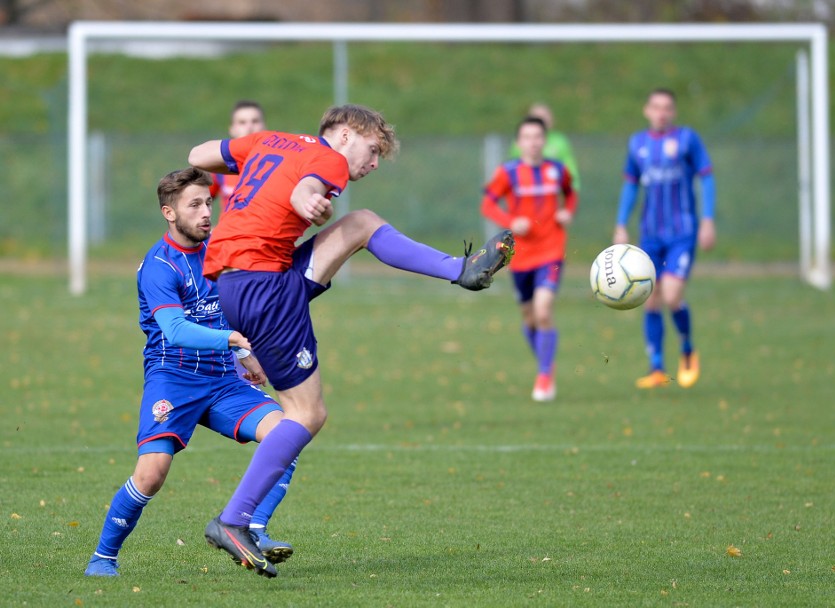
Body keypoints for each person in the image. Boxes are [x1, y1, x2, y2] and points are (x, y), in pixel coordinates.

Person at [188, 103, 515, 578]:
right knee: (307, 413)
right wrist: (306, 199)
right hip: (264, 286)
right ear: (343, 135)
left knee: (360, 223)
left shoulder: (271, 141)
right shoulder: (328, 158)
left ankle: (460, 270)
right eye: (373, 149)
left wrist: (257, 165)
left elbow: (199, 153)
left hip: (239, 283)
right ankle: (234, 520)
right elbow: (307, 189)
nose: (374, 163)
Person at [84, 168, 297, 577]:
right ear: (169, 212)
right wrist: (236, 341)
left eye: (208, 203)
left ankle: (252, 527)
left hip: (222, 379)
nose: (205, 213)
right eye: (194, 205)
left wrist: (245, 351)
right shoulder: (159, 266)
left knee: (287, 432)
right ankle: (103, 558)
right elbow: (176, 330)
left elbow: (237, 304)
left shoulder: (219, 249)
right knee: (151, 474)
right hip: (172, 378)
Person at [613, 88, 716, 389]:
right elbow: (631, 185)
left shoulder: (686, 139)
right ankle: (656, 367)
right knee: (650, 299)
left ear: (674, 112)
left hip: (682, 233)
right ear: (647, 110)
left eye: (667, 107)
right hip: (650, 235)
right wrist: (621, 223)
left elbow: (706, 176)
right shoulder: (638, 144)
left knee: (671, 295)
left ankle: (687, 348)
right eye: (656, 107)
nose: (661, 112)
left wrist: (707, 220)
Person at [482, 116, 577, 402]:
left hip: (552, 250)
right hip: (521, 255)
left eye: (538, 137)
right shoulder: (508, 172)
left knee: (543, 310)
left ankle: (545, 375)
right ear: (518, 142)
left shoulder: (557, 171)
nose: (533, 142)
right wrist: (510, 221)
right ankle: (545, 361)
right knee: (529, 317)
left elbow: (570, 194)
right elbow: (487, 203)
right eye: (527, 137)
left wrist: (567, 212)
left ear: (544, 141)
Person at [209, 100, 266, 213]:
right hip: (228, 230)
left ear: (264, 126)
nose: (249, 127)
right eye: (242, 122)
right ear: (232, 129)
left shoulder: (277, 164)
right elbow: (195, 202)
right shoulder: (220, 167)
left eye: (255, 121)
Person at [509, 102, 581, 192]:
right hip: (526, 190)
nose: (542, 119)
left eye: (545, 115)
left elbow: (569, 167)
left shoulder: (560, 141)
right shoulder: (521, 141)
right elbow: (512, 169)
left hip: (554, 190)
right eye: (538, 116)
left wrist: (573, 187)